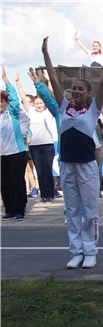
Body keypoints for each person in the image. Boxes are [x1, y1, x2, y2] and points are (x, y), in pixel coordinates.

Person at [42, 35, 103, 269]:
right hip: (67, 164)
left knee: (90, 212)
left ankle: (91, 251)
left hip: (86, 165)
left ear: (88, 93)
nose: (75, 91)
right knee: (72, 211)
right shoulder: (64, 107)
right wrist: (46, 53)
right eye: (73, 88)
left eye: (80, 89)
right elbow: (53, 78)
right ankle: (76, 251)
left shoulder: (93, 110)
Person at [14, 71, 57, 204]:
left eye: (41, 103)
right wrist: (17, 82)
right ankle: (43, 195)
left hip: (48, 145)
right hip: (34, 146)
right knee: (40, 172)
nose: (39, 105)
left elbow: (51, 97)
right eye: (37, 103)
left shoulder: (49, 112)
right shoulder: (31, 112)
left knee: (48, 171)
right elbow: (22, 95)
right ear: (33, 104)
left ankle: (50, 194)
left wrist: (48, 81)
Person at [1, 65, 29, 221]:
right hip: (2, 155)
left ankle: (20, 209)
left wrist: (6, 80)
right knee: (4, 183)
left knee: (17, 182)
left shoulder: (12, 112)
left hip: (15, 153)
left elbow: (13, 96)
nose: (0, 104)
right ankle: (9, 209)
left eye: (2, 101)